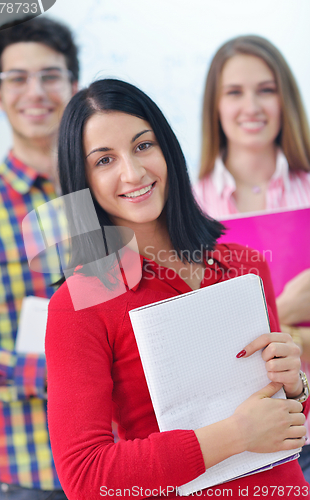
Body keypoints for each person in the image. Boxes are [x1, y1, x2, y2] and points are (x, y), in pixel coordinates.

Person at [44, 79, 309, 500]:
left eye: (143, 145)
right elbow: (86, 478)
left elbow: (285, 419)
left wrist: (294, 385)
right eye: (105, 160)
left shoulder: (243, 265)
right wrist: (237, 434)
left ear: (167, 148)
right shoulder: (78, 305)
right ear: (84, 181)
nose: (132, 172)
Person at [192, 35, 310, 480]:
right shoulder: (187, 204)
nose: (251, 106)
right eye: (234, 92)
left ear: (286, 99)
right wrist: (286, 309)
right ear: (215, 106)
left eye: (266, 89)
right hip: (237, 440)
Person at [0, 15, 78, 499]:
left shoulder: (116, 192)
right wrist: (55, 372)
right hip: (29, 471)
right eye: (17, 78)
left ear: (74, 86)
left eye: (50, 76)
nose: (35, 91)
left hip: (130, 459)